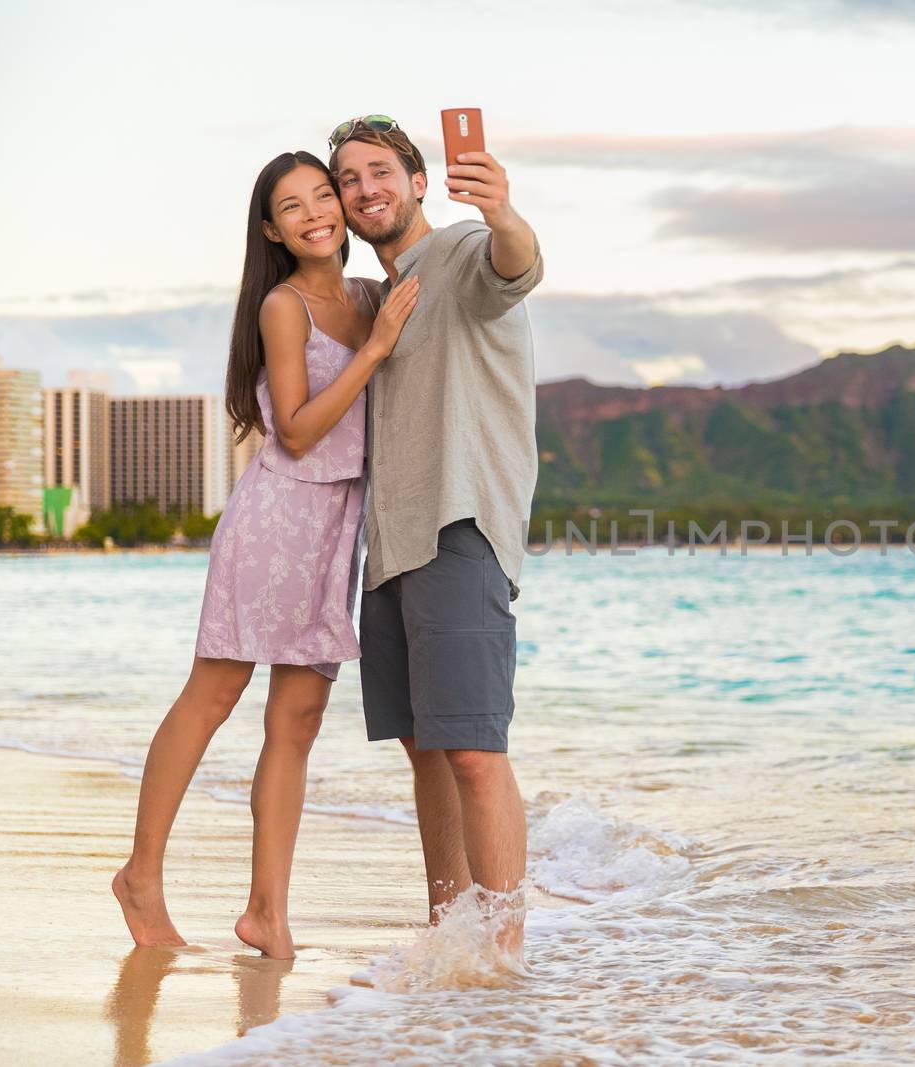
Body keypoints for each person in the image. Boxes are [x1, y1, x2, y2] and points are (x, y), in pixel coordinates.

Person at [112, 150, 419, 958]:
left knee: (300, 719)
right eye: (295, 205)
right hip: (277, 517)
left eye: (327, 194)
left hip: (337, 527)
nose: (319, 211)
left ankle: (266, 912)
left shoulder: (367, 297)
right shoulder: (285, 307)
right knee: (214, 693)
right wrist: (377, 348)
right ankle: (141, 873)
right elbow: (296, 428)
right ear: (270, 228)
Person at [327, 114, 544, 958]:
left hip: (459, 526)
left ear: (419, 181)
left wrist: (504, 214)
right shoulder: (377, 298)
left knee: (475, 751)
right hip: (394, 546)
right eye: (349, 178)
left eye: (380, 170)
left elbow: (514, 266)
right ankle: (449, 937)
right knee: (427, 751)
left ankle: (504, 955)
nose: (365, 188)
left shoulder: (459, 251)